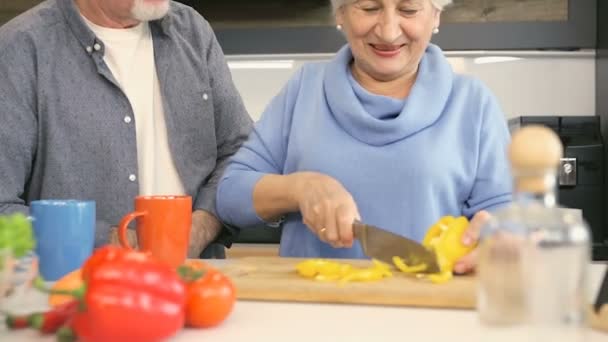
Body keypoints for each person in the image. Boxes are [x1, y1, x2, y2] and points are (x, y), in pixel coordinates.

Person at [216, 0, 512, 273]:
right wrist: (301, 187)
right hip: (312, 311)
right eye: (369, 7)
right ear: (340, 14)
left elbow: (510, 220)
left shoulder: (473, 102)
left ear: (435, 15)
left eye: (408, 10)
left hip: (430, 312)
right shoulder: (305, 89)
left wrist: (499, 237)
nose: (388, 30)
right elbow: (230, 195)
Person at [0, 0, 253, 258]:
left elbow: (242, 153)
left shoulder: (192, 31)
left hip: (193, 284)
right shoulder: (20, 48)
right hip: (78, 289)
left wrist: (202, 225)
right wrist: (108, 240)